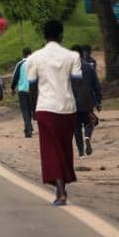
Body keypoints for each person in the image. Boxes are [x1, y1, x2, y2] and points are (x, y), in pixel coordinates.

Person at [24, 20, 83, 205]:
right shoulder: (73, 56)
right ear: (61, 35)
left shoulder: (34, 58)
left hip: (46, 107)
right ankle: (61, 184)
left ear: (44, 35)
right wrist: (85, 108)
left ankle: (60, 190)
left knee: (51, 149)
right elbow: (78, 84)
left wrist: (33, 109)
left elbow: (32, 87)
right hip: (68, 108)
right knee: (65, 148)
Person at [72, 44, 103, 157]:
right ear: (82, 54)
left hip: (73, 103)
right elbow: (97, 85)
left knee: (76, 128)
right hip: (88, 101)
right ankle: (88, 137)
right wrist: (98, 101)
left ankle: (81, 153)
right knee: (91, 122)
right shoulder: (89, 67)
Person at [11, 47, 36, 138]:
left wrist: (12, 88)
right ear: (31, 53)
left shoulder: (20, 64)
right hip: (33, 91)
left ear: (23, 54)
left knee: (25, 110)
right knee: (30, 110)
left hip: (22, 91)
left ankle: (28, 128)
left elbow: (15, 77)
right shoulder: (34, 63)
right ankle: (28, 128)